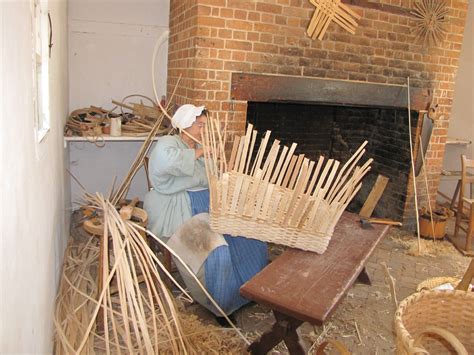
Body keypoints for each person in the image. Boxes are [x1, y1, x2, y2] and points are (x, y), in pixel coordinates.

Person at [144, 104, 268, 318]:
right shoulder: (168, 143)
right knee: (216, 250)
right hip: (179, 207)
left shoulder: (200, 148)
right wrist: (200, 151)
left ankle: (245, 293)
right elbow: (165, 162)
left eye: (204, 125)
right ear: (184, 125)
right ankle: (219, 304)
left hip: (208, 205)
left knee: (249, 239)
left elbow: (214, 176)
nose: (204, 130)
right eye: (200, 125)